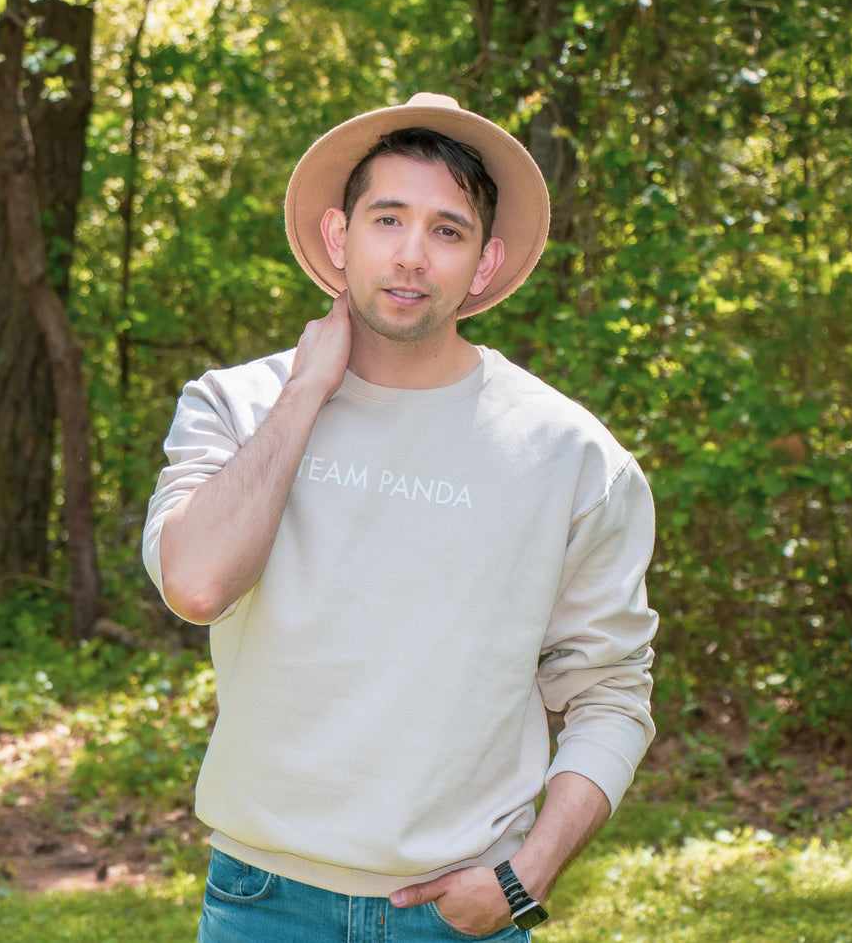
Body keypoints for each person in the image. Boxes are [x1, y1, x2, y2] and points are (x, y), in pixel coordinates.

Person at [143, 93, 659, 942]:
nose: (412, 255)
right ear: (339, 237)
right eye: (388, 218)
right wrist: (309, 389)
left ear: (484, 264)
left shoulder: (572, 456)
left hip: (460, 916)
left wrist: (527, 873)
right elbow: (195, 583)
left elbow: (611, 692)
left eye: (447, 231)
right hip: (261, 904)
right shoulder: (237, 404)